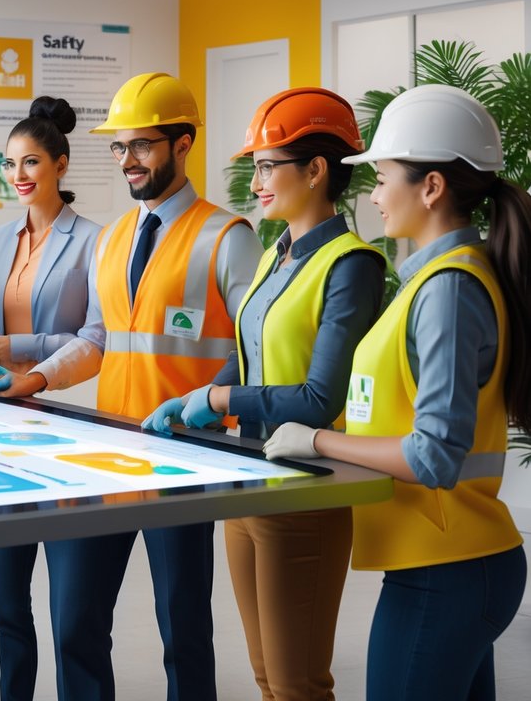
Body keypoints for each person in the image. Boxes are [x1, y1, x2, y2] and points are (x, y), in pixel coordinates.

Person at [0, 72, 263, 700]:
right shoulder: (111, 239)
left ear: (183, 144)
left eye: (142, 146)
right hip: (110, 455)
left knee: (183, 628)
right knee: (76, 623)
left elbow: (256, 350)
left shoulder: (227, 237)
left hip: (189, 462)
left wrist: (206, 407)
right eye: (118, 148)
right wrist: (36, 379)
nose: (127, 161)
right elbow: (101, 339)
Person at [264, 84, 530, 701]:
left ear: (431, 187)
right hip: (445, 563)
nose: (375, 195)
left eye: (382, 178)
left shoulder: (449, 290)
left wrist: (317, 438)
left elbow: (434, 456)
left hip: (448, 569)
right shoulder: (434, 281)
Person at [143, 88, 387, 700]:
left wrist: (221, 405)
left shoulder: (350, 264)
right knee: (265, 679)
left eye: (267, 166)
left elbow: (317, 399)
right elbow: (247, 353)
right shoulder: (275, 254)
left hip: (304, 494)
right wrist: (199, 394)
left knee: (297, 682)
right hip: (249, 479)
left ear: (315, 170)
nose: (254, 183)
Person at [0, 96, 102, 701]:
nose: (18, 176)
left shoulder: (94, 241)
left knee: (75, 619)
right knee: (7, 610)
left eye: (32, 163)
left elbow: (94, 335)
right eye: (11, 163)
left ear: (61, 166)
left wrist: (16, 345)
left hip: (65, 425)